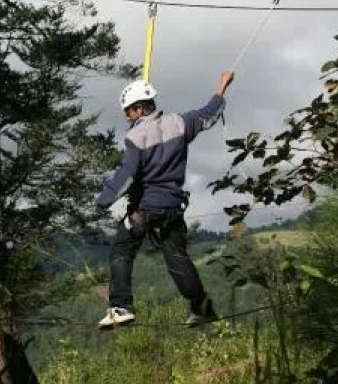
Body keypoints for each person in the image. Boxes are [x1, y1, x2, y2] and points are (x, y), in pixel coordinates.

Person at [95, 71, 235, 329]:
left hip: (146, 208)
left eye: (128, 112)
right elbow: (210, 113)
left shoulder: (136, 137)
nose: (126, 117)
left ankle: (121, 307)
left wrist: (102, 202)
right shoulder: (181, 122)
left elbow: (127, 176)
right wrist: (222, 86)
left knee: (121, 250)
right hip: (174, 207)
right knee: (177, 257)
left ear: (139, 109)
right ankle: (202, 308)